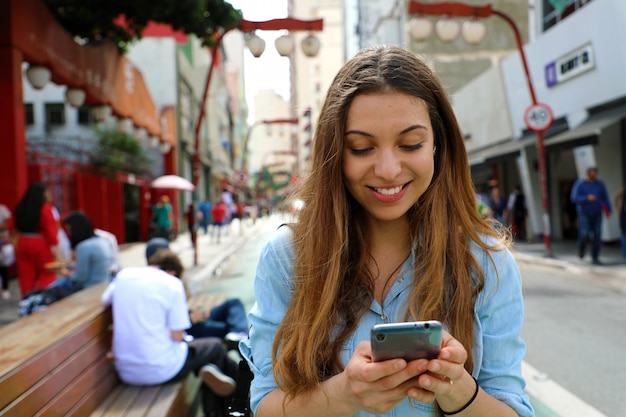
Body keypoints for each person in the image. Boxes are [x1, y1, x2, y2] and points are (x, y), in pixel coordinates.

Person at [240, 46, 533, 417]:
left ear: (438, 147)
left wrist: (457, 390)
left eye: (410, 144)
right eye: (361, 148)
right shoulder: (288, 257)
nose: (389, 169)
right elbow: (266, 404)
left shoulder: (486, 260)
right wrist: (345, 393)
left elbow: (512, 408)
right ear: (335, 154)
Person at [102, 248, 240, 417]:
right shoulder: (172, 284)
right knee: (216, 347)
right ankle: (222, 410)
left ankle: (209, 376)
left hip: (126, 371)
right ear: (172, 272)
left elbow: (105, 299)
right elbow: (177, 337)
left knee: (205, 357)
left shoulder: (123, 276)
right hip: (162, 369)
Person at [144, 238, 249, 342]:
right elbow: (170, 328)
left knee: (234, 303)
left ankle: (238, 333)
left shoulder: (170, 276)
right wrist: (191, 319)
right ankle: (237, 335)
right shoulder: (152, 287)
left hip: (190, 319)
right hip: (188, 329)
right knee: (226, 328)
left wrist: (196, 313)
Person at [13, 182, 62, 297]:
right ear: (42, 194)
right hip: (40, 244)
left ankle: (26, 301)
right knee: (48, 273)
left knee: (26, 276)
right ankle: (43, 300)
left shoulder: (20, 208)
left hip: (23, 242)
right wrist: (58, 254)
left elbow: (13, 228)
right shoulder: (45, 209)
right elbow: (51, 233)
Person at [52, 211, 112, 290]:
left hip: (89, 289)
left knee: (54, 287)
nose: (69, 233)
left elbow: (81, 277)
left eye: (70, 230)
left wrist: (64, 273)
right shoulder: (101, 241)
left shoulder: (83, 247)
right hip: (104, 284)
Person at [570, 166, 612, 265]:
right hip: (584, 212)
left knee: (597, 235)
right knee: (584, 233)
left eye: (595, 174)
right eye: (592, 174)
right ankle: (581, 249)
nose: (594, 176)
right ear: (588, 174)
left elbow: (605, 197)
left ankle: (595, 257)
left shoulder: (600, 184)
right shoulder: (580, 184)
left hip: (597, 212)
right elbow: (574, 198)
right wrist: (586, 198)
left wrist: (608, 210)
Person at [0, 203, 13, 299]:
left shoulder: (2, 209)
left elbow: (9, 223)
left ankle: (5, 288)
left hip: (2, 241)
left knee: (3, 266)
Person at [613, 187, 626, 257]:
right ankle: (624, 253)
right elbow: (615, 200)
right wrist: (618, 210)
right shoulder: (623, 191)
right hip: (624, 215)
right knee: (624, 234)